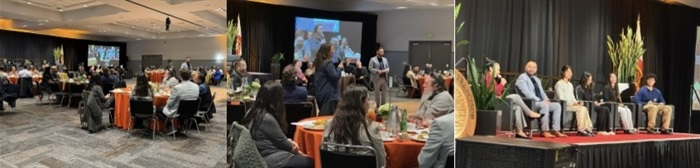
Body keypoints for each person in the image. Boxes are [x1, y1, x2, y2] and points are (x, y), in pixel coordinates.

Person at [241, 81, 313, 168]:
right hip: (268, 158)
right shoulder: (266, 118)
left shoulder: (251, 111)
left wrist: (289, 143)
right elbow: (284, 144)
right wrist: (298, 152)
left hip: (258, 154)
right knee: (310, 162)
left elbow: (278, 139)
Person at [322, 85, 386, 168]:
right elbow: (381, 162)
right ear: (361, 103)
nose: (370, 103)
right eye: (368, 99)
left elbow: (324, 154)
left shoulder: (330, 124)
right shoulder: (371, 127)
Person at [484, 59, 541, 139]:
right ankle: (530, 113)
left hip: (500, 101)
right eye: (498, 70)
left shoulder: (494, 78)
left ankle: (519, 131)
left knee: (517, 108)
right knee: (516, 97)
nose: (499, 72)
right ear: (491, 69)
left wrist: (500, 84)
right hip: (495, 102)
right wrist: (502, 84)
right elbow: (491, 93)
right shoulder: (488, 77)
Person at [516, 60, 566, 138]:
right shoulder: (522, 78)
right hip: (529, 103)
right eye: (529, 67)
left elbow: (542, 93)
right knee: (544, 105)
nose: (531, 69)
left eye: (534, 67)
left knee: (557, 106)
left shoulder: (536, 79)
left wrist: (547, 99)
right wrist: (541, 101)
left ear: (536, 69)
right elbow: (527, 94)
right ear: (525, 68)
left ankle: (555, 130)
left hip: (539, 102)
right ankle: (544, 131)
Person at [554, 66, 596, 136]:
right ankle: (581, 129)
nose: (569, 73)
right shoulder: (559, 84)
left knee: (583, 107)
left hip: (571, 104)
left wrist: (577, 102)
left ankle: (588, 128)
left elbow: (573, 98)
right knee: (581, 109)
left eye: (571, 72)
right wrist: (573, 103)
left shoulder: (570, 85)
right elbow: (561, 98)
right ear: (563, 73)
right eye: (567, 72)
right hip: (563, 105)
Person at [158, 70, 200, 135]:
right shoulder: (196, 86)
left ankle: (170, 127)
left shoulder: (177, 88)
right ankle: (182, 127)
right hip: (192, 111)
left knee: (159, 109)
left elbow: (169, 103)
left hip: (179, 112)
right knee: (183, 107)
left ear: (180, 77)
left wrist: (167, 106)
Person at [314, 43, 343, 114]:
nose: (334, 51)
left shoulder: (320, 62)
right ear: (327, 51)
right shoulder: (328, 63)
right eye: (332, 49)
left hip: (321, 92)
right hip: (329, 94)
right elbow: (335, 76)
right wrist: (339, 68)